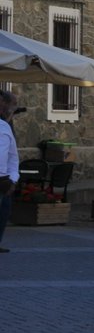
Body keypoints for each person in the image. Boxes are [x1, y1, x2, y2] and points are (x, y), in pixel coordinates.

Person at [0, 89, 17, 253]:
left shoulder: (5, 126)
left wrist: (13, 178)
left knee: (4, 212)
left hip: (3, 179)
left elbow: (13, 156)